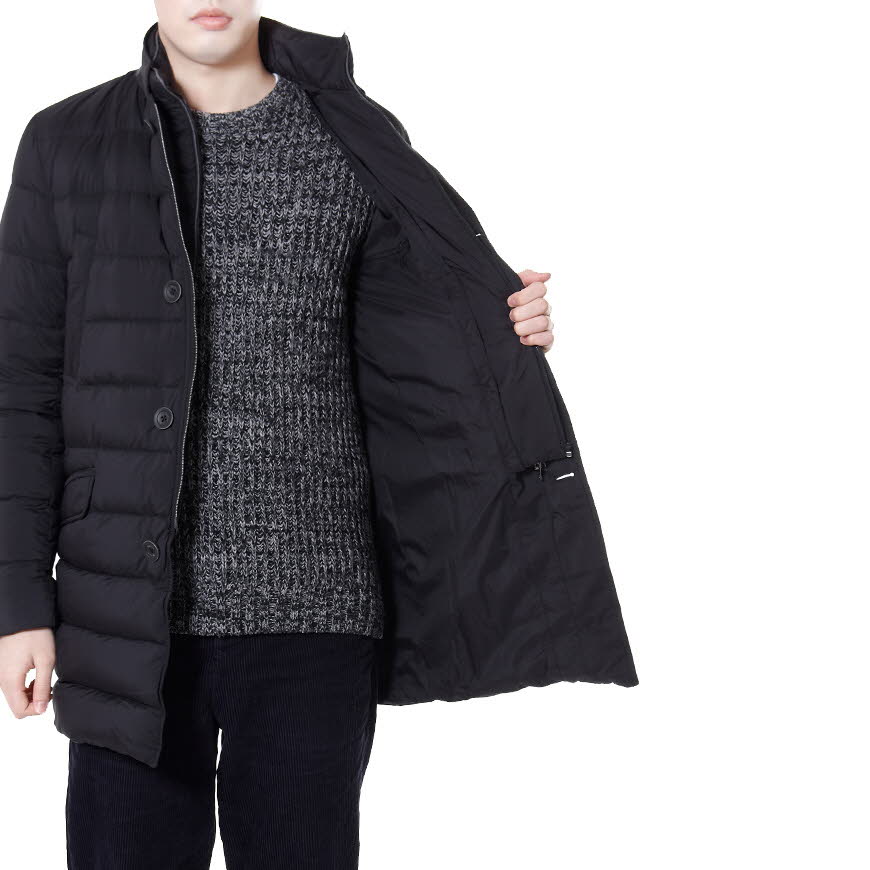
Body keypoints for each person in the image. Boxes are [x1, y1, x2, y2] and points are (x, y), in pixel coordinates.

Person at [0, 2, 638, 867]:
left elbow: (424, 325)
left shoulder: (348, 133)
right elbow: (20, 388)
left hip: (318, 612)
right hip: (122, 618)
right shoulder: (67, 142)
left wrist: (505, 324)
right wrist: (18, 607)